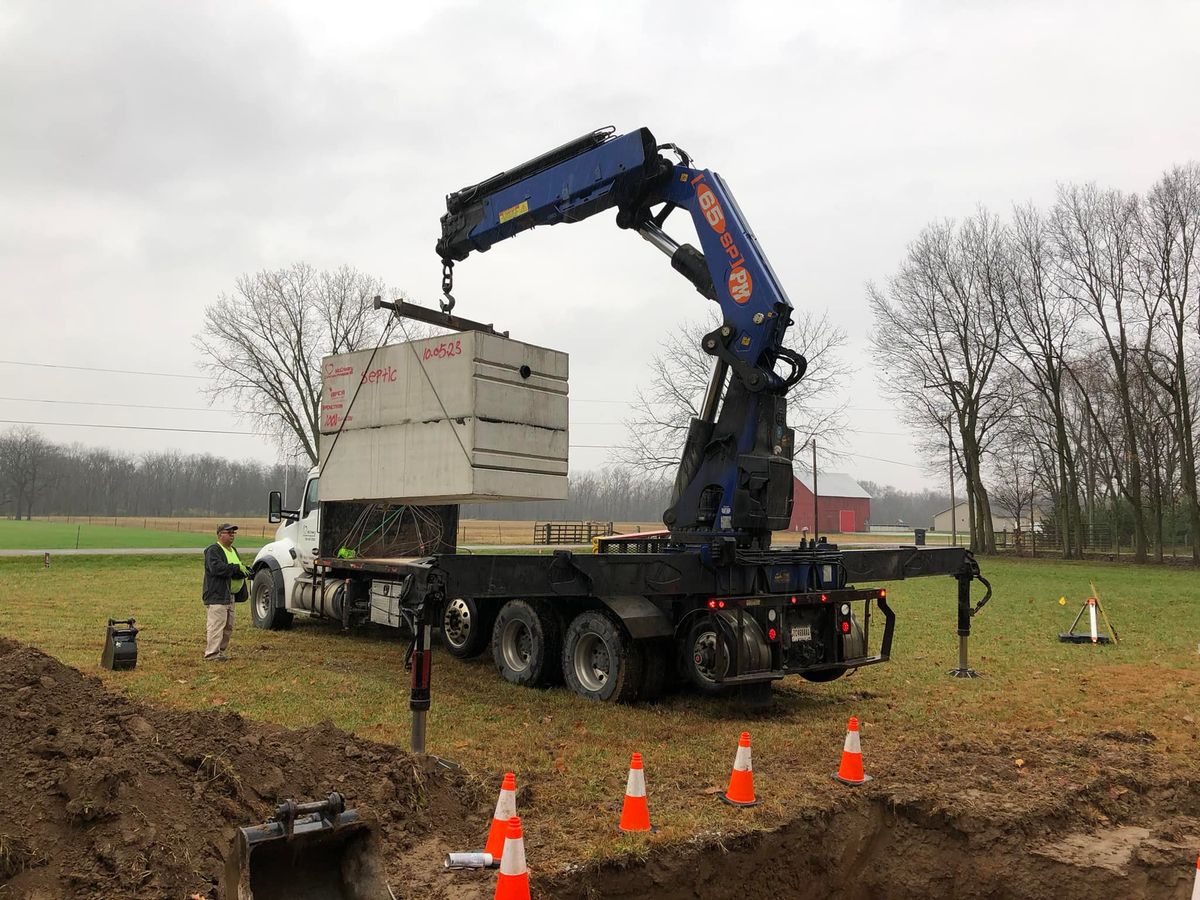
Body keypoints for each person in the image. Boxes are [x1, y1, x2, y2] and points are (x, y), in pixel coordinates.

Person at [203, 523, 249, 661]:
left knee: (228, 626)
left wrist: (244, 571)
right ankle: (211, 654)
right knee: (216, 625)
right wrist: (236, 568)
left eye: (233, 533)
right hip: (217, 594)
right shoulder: (213, 550)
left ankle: (220, 652)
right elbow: (216, 568)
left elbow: (234, 570)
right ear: (220, 535)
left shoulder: (233, 550)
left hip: (230, 595)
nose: (232, 535)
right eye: (228, 532)